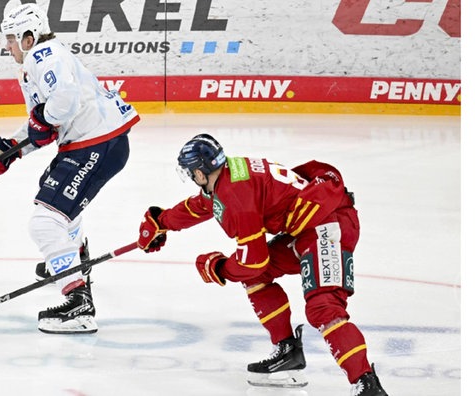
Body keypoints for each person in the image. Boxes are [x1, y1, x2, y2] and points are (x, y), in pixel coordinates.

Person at [136, 134, 388, 395]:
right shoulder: (229, 174)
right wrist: (161, 221)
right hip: (306, 229)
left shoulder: (235, 196)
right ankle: (288, 350)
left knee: (323, 307)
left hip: (328, 225)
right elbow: (202, 205)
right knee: (258, 278)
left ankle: (366, 383)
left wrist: (218, 268)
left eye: (190, 172)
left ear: (200, 172)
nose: (191, 178)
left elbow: (253, 261)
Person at [0, 3, 140, 334]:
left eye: (10, 39)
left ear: (28, 37)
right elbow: (45, 126)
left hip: (98, 143)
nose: (6, 46)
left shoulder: (44, 56)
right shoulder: (36, 62)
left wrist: (39, 124)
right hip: (95, 142)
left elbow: (62, 105)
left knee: (45, 223)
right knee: (56, 195)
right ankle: (74, 262)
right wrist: (8, 150)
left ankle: (78, 303)